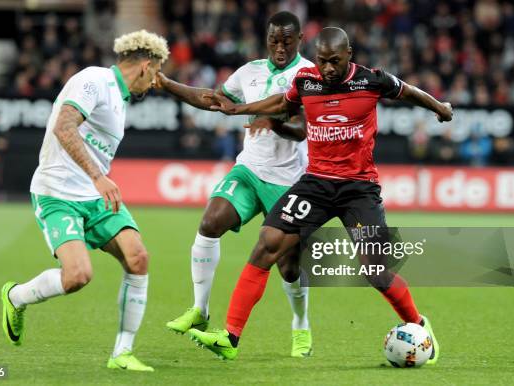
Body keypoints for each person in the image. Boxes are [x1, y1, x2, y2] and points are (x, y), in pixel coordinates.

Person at [188, 27, 453, 363]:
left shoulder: (372, 81)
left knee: (375, 271)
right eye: (322, 61)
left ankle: (418, 324)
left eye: (334, 61)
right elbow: (281, 103)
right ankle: (230, 337)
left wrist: (439, 107)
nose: (327, 68)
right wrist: (238, 110)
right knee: (267, 243)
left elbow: (409, 91)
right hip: (315, 184)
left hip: (359, 189)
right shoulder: (306, 82)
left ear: (349, 55)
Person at [0, 29, 169, 372]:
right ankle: (15, 297)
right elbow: (65, 128)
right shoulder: (94, 80)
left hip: (93, 197)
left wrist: (95, 181)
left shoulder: (120, 100)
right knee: (77, 276)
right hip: (57, 193)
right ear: (145, 66)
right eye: (155, 75)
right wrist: (97, 175)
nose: (154, 84)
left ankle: (122, 353)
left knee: (138, 258)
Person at [156, 11, 315, 357]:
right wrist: (168, 84)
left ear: (300, 39)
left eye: (287, 40)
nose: (280, 47)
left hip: (289, 182)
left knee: (289, 268)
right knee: (210, 222)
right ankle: (200, 310)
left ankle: (300, 323)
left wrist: (273, 124)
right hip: (249, 170)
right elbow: (214, 101)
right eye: (274, 40)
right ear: (266, 39)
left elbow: (303, 129)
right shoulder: (250, 72)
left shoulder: (309, 76)